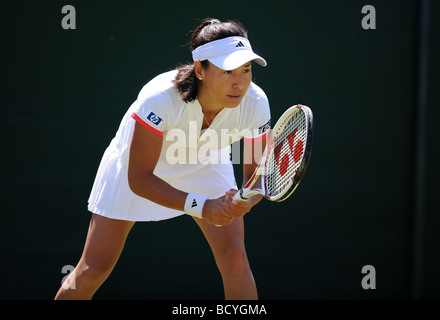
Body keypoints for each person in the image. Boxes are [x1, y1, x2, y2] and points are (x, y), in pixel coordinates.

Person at [55, 18, 271, 300]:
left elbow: (255, 177)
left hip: (207, 161)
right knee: (93, 269)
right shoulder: (159, 99)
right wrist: (202, 206)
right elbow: (139, 179)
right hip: (140, 169)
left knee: (235, 259)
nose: (239, 82)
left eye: (246, 69)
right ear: (200, 70)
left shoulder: (255, 103)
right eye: (228, 71)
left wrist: (243, 201)